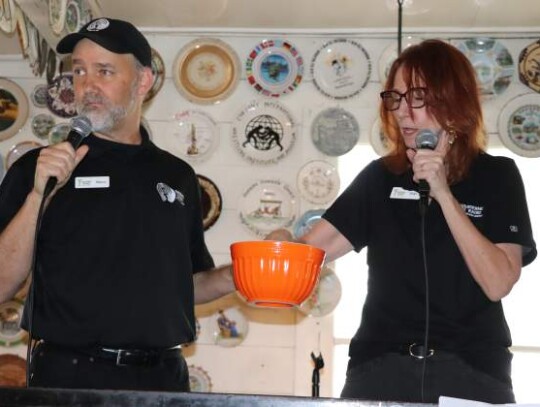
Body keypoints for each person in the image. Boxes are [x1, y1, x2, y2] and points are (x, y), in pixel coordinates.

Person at [267, 39, 536, 403]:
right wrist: (278, 247)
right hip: (380, 370)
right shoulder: (380, 177)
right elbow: (310, 253)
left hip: (471, 370)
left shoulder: (497, 176)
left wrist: (443, 193)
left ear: (453, 98)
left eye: (417, 98)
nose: (403, 113)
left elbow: (498, 282)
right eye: (395, 99)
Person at [0, 18, 235, 392]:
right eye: (78, 71)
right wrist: (36, 197)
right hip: (68, 376)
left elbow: (185, 286)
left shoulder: (177, 177)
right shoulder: (38, 168)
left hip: (163, 379)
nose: (87, 84)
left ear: (143, 82)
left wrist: (234, 275)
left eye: (104, 71)